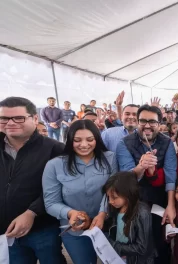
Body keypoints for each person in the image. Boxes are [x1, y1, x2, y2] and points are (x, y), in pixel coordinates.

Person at [42, 120, 118, 264]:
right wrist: (70, 213)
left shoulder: (110, 158)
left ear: (97, 139)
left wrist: (102, 214)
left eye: (90, 140)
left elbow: (113, 190)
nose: (84, 145)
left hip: (107, 225)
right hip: (74, 229)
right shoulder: (55, 165)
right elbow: (51, 202)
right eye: (77, 140)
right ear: (69, 140)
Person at [0, 97, 65, 263]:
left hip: (43, 228)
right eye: (4, 118)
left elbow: (62, 187)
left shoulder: (55, 148)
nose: (10, 123)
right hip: (7, 232)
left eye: (19, 118)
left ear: (35, 119)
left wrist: (32, 212)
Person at [116, 104, 177, 264]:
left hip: (159, 202)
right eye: (143, 121)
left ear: (159, 124)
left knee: (160, 244)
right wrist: (141, 167)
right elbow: (126, 178)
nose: (147, 125)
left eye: (152, 121)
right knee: (137, 247)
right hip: (134, 204)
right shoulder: (124, 144)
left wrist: (171, 205)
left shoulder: (167, 143)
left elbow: (171, 176)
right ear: (137, 122)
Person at [104, 171, 156, 264]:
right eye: (108, 197)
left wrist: (115, 246)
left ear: (127, 194)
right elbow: (109, 225)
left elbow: (141, 247)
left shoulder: (142, 213)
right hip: (120, 257)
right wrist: (89, 223)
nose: (110, 201)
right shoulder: (115, 208)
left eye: (114, 197)